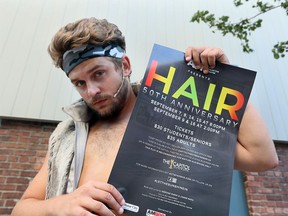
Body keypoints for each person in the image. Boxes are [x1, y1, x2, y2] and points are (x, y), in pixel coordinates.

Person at [11, 17, 278, 216]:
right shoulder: (68, 136)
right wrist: (61, 205)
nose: (91, 91)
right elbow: (22, 209)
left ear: (124, 66)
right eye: (79, 83)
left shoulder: (175, 118)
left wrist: (224, 81)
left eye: (98, 74)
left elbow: (263, 157)